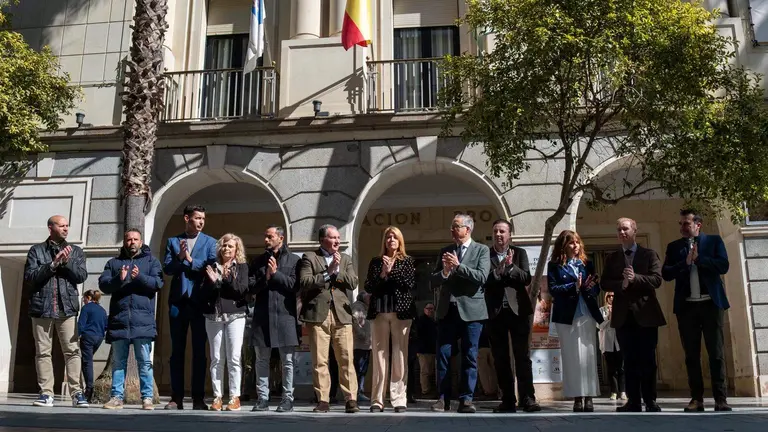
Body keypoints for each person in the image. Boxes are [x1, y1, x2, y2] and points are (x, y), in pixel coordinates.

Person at [662, 209, 731, 412]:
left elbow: (723, 265)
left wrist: (700, 260)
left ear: (698, 225)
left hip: (711, 304)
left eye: (687, 223)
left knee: (716, 353)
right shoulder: (674, 247)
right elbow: (666, 273)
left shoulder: (714, 242)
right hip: (687, 307)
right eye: (681, 224)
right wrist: (685, 263)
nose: (683, 227)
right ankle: (696, 399)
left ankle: (720, 399)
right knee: (691, 355)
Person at [24, 215, 88, 408]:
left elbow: (81, 276)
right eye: (61, 225)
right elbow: (30, 276)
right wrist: (52, 264)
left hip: (66, 309)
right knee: (43, 352)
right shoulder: (36, 251)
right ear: (50, 227)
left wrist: (66, 262)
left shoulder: (75, 251)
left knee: (72, 351)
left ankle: (77, 393)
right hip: (41, 308)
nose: (66, 228)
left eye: (67, 225)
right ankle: (46, 393)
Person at [601, 217, 664, 412]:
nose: (622, 233)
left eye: (626, 229)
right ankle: (633, 401)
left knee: (647, 360)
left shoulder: (648, 254)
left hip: (646, 315)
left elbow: (657, 280)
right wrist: (622, 285)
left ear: (635, 231)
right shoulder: (612, 258)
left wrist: (635, 278)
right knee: (628, 361)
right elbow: (604, 283)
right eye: (619, 230)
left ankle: (650, 400)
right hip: (623, 317)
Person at [430, 214, 490, 414]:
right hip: (448, 311)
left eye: (456, 227)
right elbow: (434, 280)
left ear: (468, 229)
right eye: (452, 227)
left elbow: (481, 277)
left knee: (470, 356)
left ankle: (466, 399)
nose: (452, 230)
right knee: (443, 355)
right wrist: (445, 272)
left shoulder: (481, 250)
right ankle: (443, 399)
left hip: (472, 313)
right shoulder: (445, 251)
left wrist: (458, 267)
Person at [99, 229, 164, 410]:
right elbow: (103, 285)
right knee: (118, 362)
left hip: (142, 321)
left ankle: (147, 398)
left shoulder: (152, 262)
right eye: (128, 239)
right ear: (124, 242)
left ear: (141, 241)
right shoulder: (113, 263)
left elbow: (158, 284)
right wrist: (118, 279)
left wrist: (139, 277)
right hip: (119, 320)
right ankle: (116, 397)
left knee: (144, 362)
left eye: (135, 239)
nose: (132, 242)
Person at [298, 224, 360, 413]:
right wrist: (327, 273)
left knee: (346, 358)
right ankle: (323, 400)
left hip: (341, 314)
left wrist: (337, 270)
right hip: (318, 314)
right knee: (320, 360)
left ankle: (351, 399)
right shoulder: (309, 257)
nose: (337, 241)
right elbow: (304, 282)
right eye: (333, 238)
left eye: (338, 238)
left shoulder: (346, 259)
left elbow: (353, 282)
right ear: (323, 239)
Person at [163, 205, 217, 410]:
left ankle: (198, 398)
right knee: (177, 351)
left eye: (203, 218)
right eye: (197, 218)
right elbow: (167, 268)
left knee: (199, 352)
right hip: (178, 302)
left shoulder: (211, 242)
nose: (201, 222)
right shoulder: (173, 241)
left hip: (200, 302)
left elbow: (210, 266)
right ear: (187, 218)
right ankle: (176, 397)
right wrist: (179, 258)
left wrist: (190, 260)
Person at [483, 219, 540, 413]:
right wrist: (498, 272)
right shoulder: (485, 255)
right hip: (495, 312)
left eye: (502, 231)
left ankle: (528, 398)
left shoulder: (519, 253)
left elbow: (526, 278)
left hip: (518, 311)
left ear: (509, 235)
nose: (499, 235)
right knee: (501, 358)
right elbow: (484, 281)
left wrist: (511, 268)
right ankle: (507, 400)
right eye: (496, 231)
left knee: (522, 357)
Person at [547, 230, 603, 412]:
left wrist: (590, 287)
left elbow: (597, 290)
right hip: (567, 317)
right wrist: (574, 286)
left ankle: (589, 396)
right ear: (563, 246)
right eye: (571, 243)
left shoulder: (587, 264)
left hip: (586, 314)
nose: (575, 246)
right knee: (571, 357)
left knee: (588, 356)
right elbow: (553, 289)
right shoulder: (554, 265)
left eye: (577, 242)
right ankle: (577, 397)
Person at [364, 226, 417, 412]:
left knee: (400, 356)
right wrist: (382, 273)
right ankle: (377, 400)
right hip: (379, 312)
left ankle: (398, 398)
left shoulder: (407, 261)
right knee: (379, 357)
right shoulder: (376, 261)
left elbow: (409, 283)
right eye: (388, 237)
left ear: (400, 241)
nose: (391, 239)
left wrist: (392, 271)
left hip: (401, 313)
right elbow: (369, 286)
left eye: (394, 237)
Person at [249, 225, 301, 412]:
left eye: (270, 236)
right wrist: (266, 276)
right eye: (265, 236)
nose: (266, 240)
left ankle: (287, 399)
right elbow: (251, 287)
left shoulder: (294, 260)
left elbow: (295, 286)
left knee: (287, 361)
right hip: (263, 316)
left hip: (285, 316)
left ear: (281, 237)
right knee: (261, 360)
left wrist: (276, 274)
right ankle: (262, 398)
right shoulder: (258, 261)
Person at [202, 233, 249, 411]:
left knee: (234, 357)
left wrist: (223, 280)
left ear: (237, 249)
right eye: (224, 245)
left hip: (235, 316)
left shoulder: (242, 268)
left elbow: (240, 291)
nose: (227, 249)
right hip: (214, 316)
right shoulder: (211, 267)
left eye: (231, 246)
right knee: (216, 358)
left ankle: (234, 397)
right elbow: (204, 294)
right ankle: (217, 397)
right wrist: (213, 283)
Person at [78, 290, 107, 403]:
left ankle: (89, 389)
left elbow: (81, 324)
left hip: (88, 337)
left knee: (87, 362)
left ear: (89, 298)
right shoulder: (102, 310)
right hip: (99, 338)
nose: (84, 300)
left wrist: (76, 336)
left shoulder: (86, 308)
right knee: (86, 361)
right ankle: (87, 387)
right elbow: (105, 325)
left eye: (84, 298)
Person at [598, 292, 625, 401]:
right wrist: (608, 317)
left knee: (622, 368)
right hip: (607, 343)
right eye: (609, 296)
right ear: (606, 297)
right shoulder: (602, 310)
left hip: (619, 342)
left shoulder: (621, 308)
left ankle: (623, 391)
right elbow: (599, 325)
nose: (611, 298)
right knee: (611, 369)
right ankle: (614, 391)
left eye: (614, 296)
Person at [351, 292, 372, 402]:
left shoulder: (365, 308)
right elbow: (355, 322)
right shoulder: (358, 307)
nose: (370, 298)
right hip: (359, 345)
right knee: (359, 369)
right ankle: (358, 392)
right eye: (368, 297)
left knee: (363, 369)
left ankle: (360, 390)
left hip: (366, 345)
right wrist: (362, 335)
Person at [415, 303, 438, 397]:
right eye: (428, 308)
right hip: (423, 350)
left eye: (432, 309)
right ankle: (425, 390)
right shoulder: (421, 320)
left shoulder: (434, 321)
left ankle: (428, 389)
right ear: (424, 309)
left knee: (431, 371)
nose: (430, 310)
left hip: (432, 349)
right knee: (425, 371)